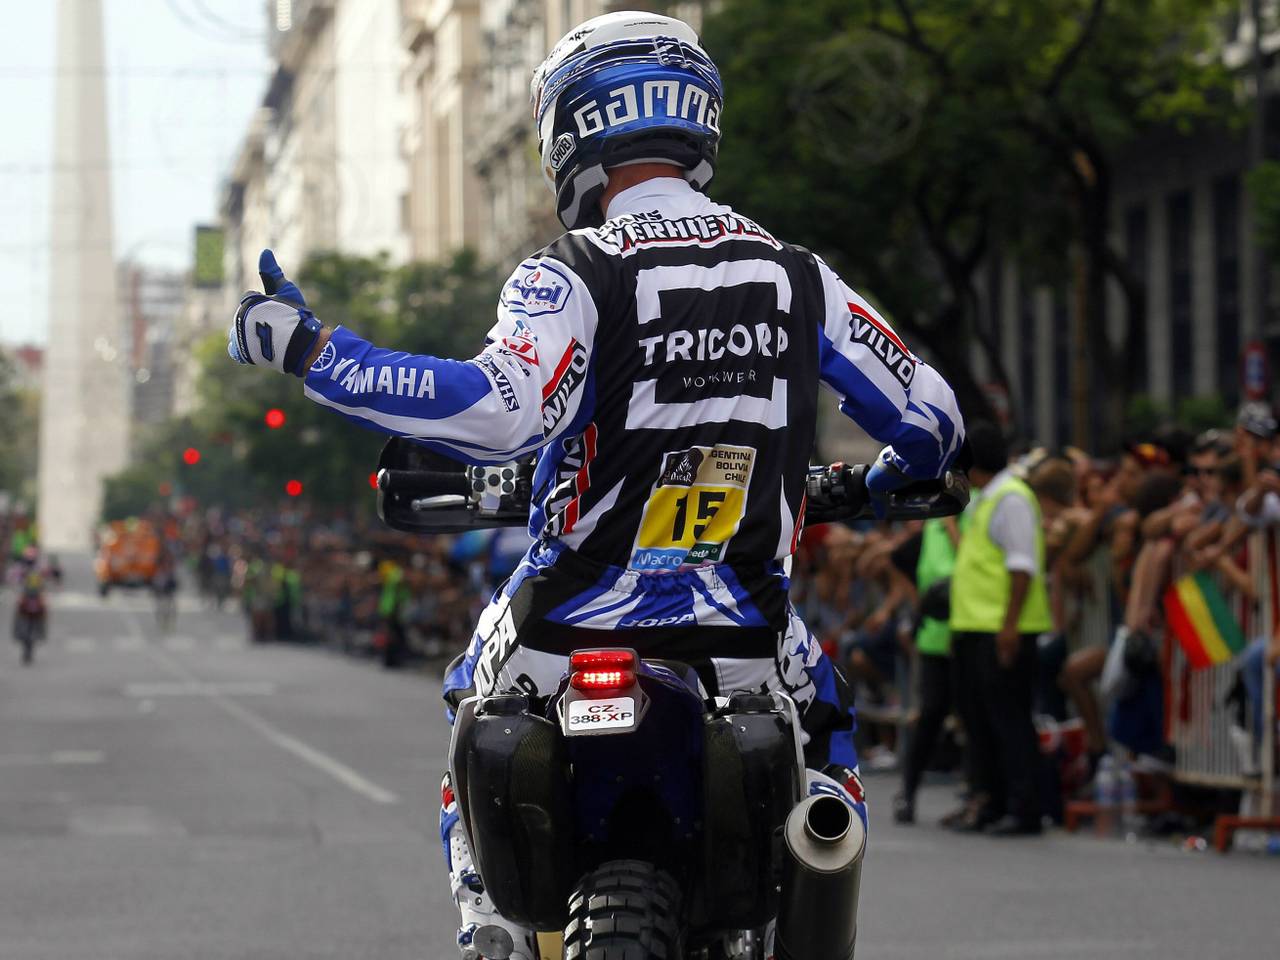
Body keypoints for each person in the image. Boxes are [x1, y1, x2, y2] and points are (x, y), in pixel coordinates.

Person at [226, 12, 964, 957]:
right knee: (827, 744)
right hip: (743, 631)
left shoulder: (572, 272)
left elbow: (497, 413)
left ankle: (487, 925)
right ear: (697, 125)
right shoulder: (798, 278)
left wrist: (316, 352)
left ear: (569, 134)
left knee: (468, 701)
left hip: (563, 629)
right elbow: (934, 419)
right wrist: (882, 483)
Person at [948, 423, 1067, 836]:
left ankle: (1023, 807)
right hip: (978, 626)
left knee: (1010, 722)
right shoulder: (989, 496)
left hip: (1002, 629)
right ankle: (993, 803)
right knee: (981, 722)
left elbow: (1022, 567)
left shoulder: (1012, 498)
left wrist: (1010, 626)